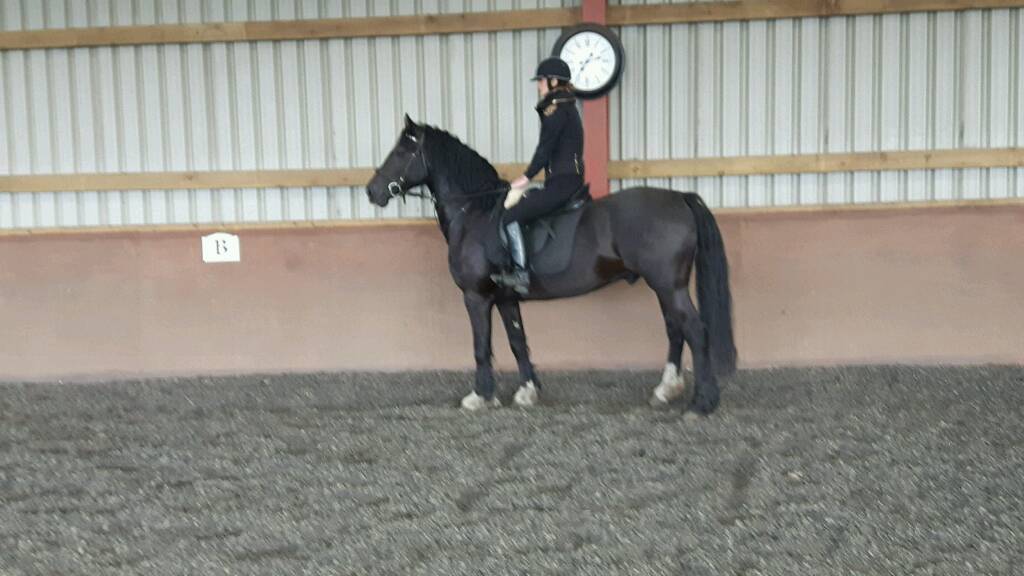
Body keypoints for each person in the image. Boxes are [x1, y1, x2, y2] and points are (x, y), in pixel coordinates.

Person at [493, 56, 585, 294]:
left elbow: (545, 148)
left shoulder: (555, 109)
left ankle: (521, 275)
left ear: (554, 81)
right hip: (566, 179)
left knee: (511, 217)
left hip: (562, 183)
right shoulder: (566, 107)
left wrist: (526, 177)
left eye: (542, 81)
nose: (539, 85)